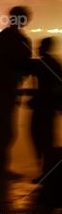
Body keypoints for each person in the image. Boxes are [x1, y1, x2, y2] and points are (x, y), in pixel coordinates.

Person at [0, 6, 33, 179]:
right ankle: (1, 169)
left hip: (0, 89)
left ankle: (1, 167)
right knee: (7, 130)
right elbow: (26, 67)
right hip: (9, 89)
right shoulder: (22, 41)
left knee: (2, 128)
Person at [29, 37, 62, 181]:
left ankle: (45, 171)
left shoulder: (43, 64)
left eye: (41, 46)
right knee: (46, 138)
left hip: (43, 107)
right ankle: (46, 171)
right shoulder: (53, 64)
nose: (38, 48)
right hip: (48, 106)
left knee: (40, 137)